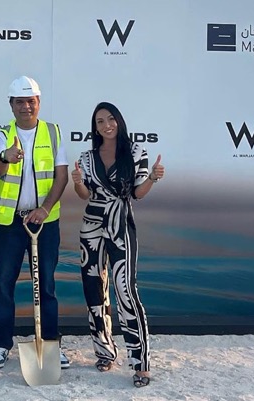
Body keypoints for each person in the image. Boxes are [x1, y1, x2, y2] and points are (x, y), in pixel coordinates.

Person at [72, 101, 165, 388]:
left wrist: (152, 178)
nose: (106, 125)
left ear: (119, 121)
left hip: (122, 226)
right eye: (100, 121)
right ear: (95, 127)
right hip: (91, 227)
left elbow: (137, 193)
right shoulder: (87, 157)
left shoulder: (136, 152)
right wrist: (77, 182)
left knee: (126, 291)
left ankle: (140, 363)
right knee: (93, 291)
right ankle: (104, 351)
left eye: (110, 119)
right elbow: (84, 194)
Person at [0, 76, 70, 370]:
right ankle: (0, 344)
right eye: (20, 102)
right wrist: (6, 157)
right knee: (3, 284)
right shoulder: (2, 134)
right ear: (11, 105)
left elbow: (62, 177)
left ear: (39, 103)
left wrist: (45, 209)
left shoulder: (53, 132)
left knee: (45, 285)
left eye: (31, 101)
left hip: (45, 223)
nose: (26, 107)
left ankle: (49, 344)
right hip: (9, 224)